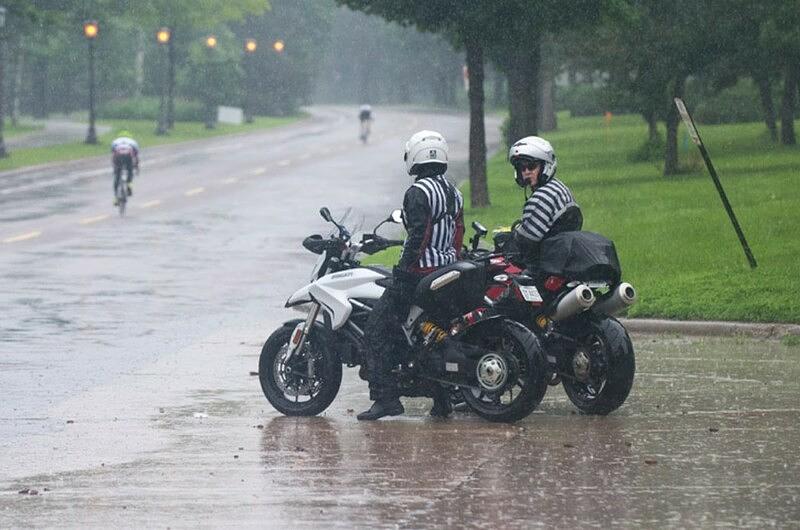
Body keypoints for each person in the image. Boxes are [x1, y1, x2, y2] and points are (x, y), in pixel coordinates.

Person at [357, 130, 465, 421]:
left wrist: (402, 272)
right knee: (430, 338)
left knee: (376, 329)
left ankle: (385, 398)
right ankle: (442, 402)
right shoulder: (454, 191)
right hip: (447, 273)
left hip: (420, 275)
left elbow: (419, 235)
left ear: (414, 157)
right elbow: (458, 234)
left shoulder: (417, 192)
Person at [508, 136, 583, 263]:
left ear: (545, 167)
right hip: (562, 259)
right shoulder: (557, 187)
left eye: (531, 166)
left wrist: (509, 238)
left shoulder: (541, 197)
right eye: (521, 167)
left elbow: (526, 242)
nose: (526, 172)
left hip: (545, 265)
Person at [111, 131, 140, 205]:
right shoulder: (133, 142)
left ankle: (116, 198)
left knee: (117, 178)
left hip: (118, 156)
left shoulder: (115, 141)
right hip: (128, 156)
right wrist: (136, 167)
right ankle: (129, 185)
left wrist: (114, 168)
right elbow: (136, 157)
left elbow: (113, 155)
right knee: (130, 170)